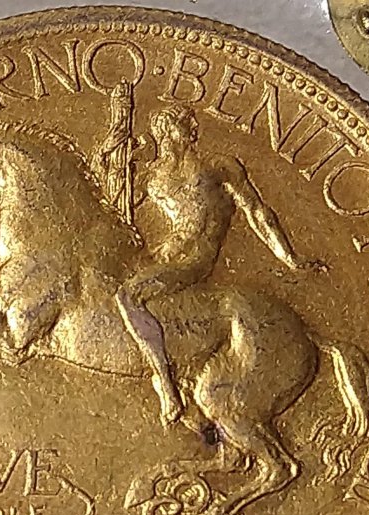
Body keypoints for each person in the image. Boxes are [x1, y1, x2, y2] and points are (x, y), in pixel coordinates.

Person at [116, 104, 323, 427]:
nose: (189, 130)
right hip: (161, 256)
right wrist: (118, 155)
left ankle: (166, 384)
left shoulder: (218, 167)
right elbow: (121, 208)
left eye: (184, 126)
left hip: (193, 261)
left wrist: (289, 257)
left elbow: (258, 212)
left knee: (127, 296)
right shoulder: (154, 174)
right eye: (178, 126)